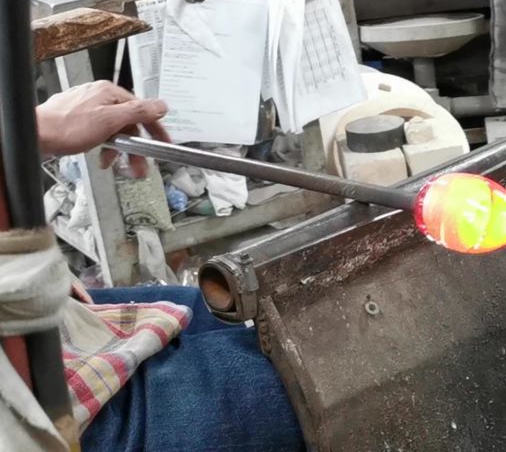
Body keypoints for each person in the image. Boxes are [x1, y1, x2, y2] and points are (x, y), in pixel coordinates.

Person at [36, 81, 305, 452]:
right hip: (37, 412)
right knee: (302, 381)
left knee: (203, 308)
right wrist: (27, 131)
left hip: (51, 320)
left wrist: (31, 132)